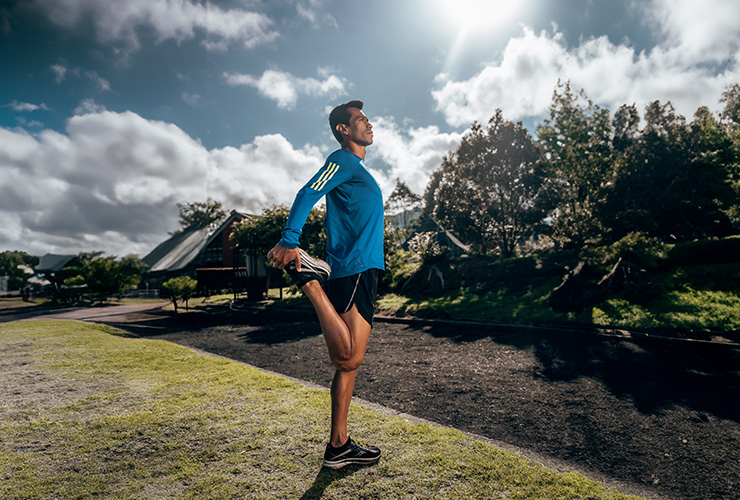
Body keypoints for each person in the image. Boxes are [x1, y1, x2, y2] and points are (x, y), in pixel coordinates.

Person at [267, 100, 385, 469]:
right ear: (343, 130)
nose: (368, 123)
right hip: (354, 269)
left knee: (347, 368)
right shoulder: (343, 160)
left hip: (360, 269)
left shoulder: (356, 169)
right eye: (360, 120)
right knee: (349, 357)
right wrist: (289, 239)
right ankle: (309, 280)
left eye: (367, 118)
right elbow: (307, 193)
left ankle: (339, 445)